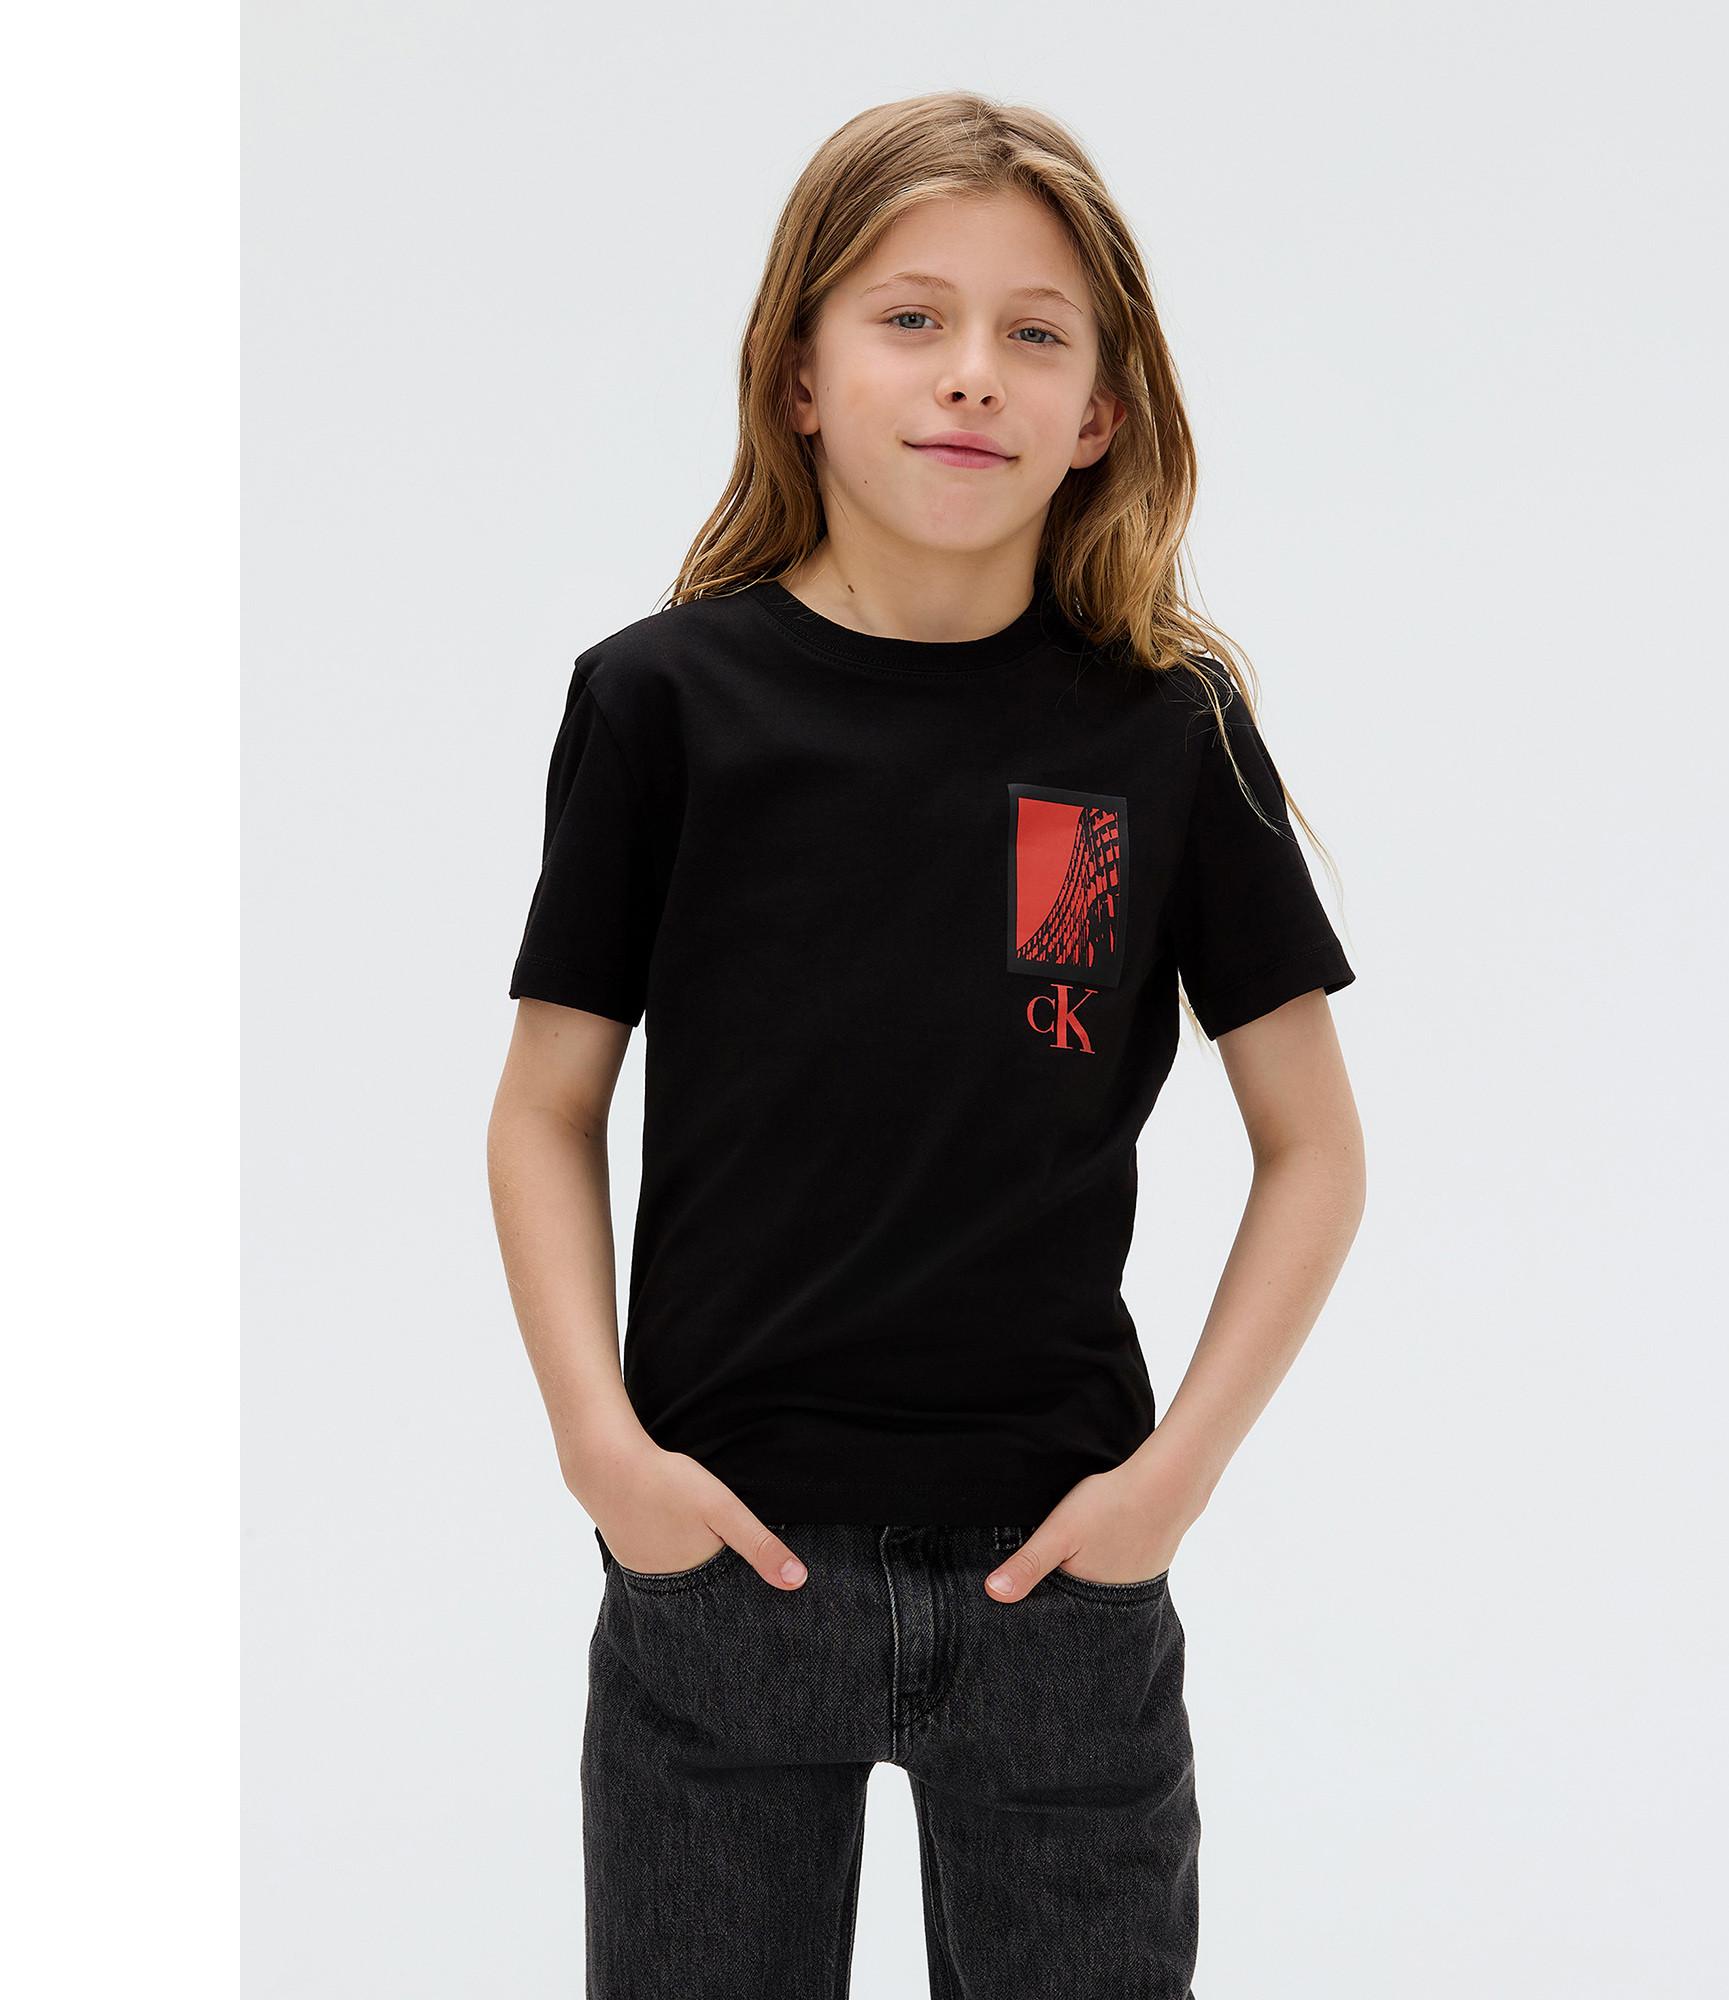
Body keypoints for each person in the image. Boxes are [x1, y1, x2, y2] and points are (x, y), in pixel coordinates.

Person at [486, 89, 1367, 2000]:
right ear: (798, 373)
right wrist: (601, 1451)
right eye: (911, 317)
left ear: (1101, 412)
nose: (972, 372)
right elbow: (548, 1106)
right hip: (721, 1568)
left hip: (1063, 1580)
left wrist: (1172, 1484)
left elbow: (1314, 1146)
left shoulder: (1159, 734)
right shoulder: (662, 707)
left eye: (1035, 333)